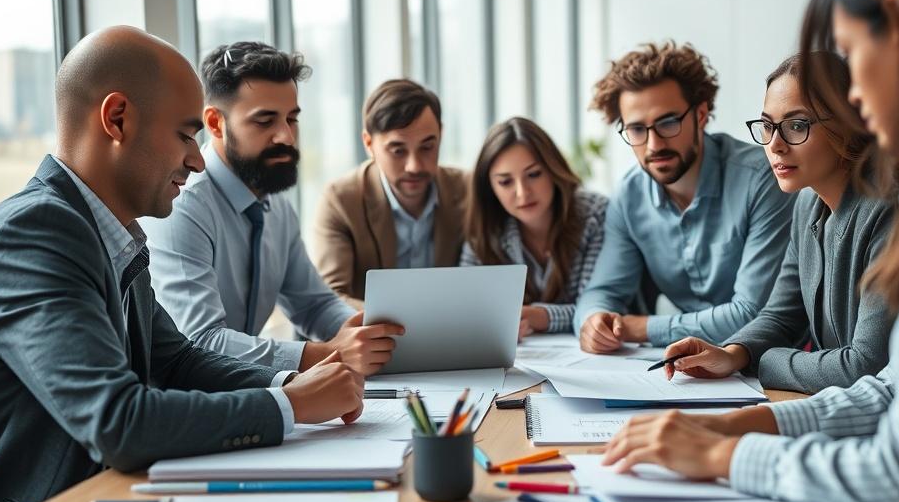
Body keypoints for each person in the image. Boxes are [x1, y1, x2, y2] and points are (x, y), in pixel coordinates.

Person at [601, 0, 899, 502]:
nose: (853, 93)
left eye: (854, 56)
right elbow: (890, 386)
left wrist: (725, 453)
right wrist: (745, 420)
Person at [0, 27, 365, 502]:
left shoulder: (112, 232)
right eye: (186, 135)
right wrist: (291, 407)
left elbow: (177, 362)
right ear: (117, 119)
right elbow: (118, 422)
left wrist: (285, 387)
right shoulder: (31, 234)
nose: (198, 160)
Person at [145, 42, 403, 377]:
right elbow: (202, 341)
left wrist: (363, 334)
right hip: (184, 405)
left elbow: (312, 304)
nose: (286, 136)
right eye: (265, 121)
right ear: (216, 122)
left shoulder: (276, 206)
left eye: (291, 119)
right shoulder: (184, 205)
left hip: (243, 392)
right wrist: (328, 353)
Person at [659, 52, 894, 393]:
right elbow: (782, 314)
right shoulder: (806, 203)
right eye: (768, 126)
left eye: (796, 125)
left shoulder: (889, 210)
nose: (775, 145)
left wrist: (765, 360)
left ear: (847, 123)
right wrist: (732, 354)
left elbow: (865, 366)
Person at [576, 41, 794, 350]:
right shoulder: (629, 196)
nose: (653, 145)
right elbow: (601, 292)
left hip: (767, 361)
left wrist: (642, 328)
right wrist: (593, 321)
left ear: (701, 114)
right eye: (637, 129)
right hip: (690, 366)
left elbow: (752, 315)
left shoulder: (761, 178)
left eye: (667, 123)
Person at [314, 79, 468, 309]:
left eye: (427, 147)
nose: (414, 166)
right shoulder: (342, 201)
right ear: (368, 144)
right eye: (398, 151)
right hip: (376, 340)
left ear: (441, 135)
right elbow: (331, 300)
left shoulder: (468, 190)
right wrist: (410, 324)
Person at [460, 117, 607, 336]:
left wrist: (535, 316)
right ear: (489, 187)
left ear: (552, 170)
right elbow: (466, 309)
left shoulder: (594, 215)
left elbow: (596, 309)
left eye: (534, 174)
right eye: (505, 181)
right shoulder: (485, 229)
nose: (522, 192)